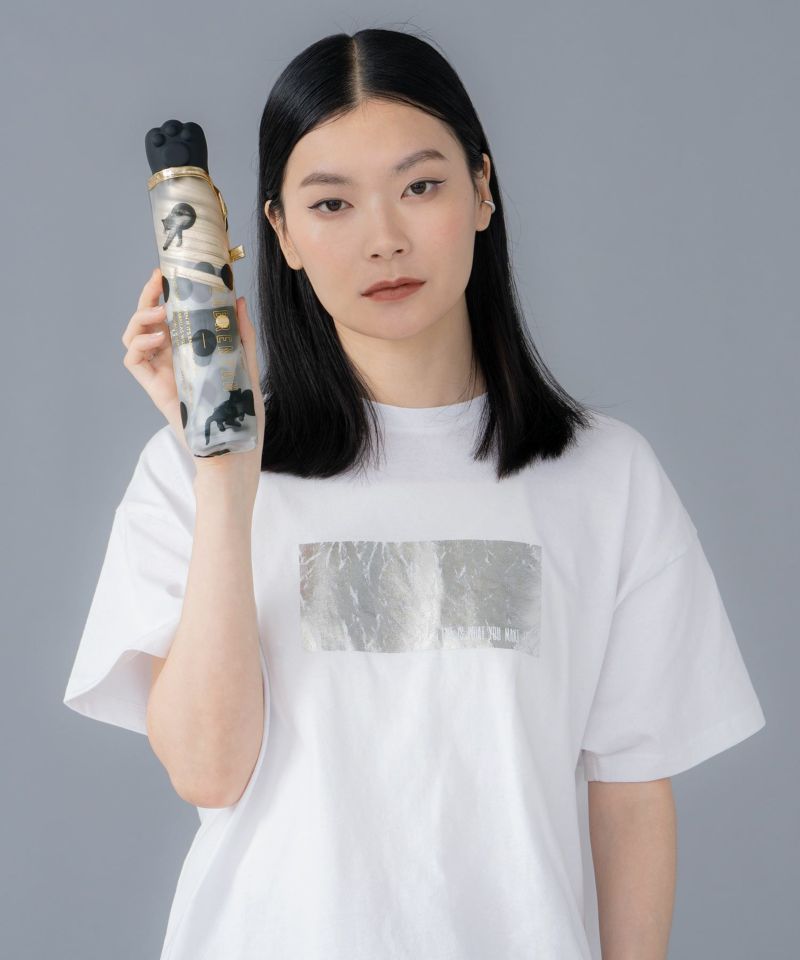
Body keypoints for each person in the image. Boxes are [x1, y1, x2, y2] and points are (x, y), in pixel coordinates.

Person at [62, 26, 766, 960]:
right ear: (280, 234)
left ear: (483, 190)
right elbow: (207, 771)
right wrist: (225, 472)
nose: (384, 238)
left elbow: (632, 794)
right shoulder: (186, 477)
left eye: (421, 187)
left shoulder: (607, 476)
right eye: (332, 203)